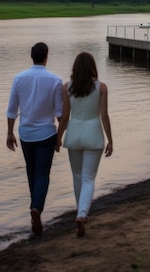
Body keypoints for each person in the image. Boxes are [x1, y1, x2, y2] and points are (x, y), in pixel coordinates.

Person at [6, 42, 63, 236]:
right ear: (46, 56)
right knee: (42, 174)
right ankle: (36, 208)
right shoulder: (55, 80)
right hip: (47, 133)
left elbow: (12, 109)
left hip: (26, 134)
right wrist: (60, 137)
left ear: (32, 56)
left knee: (31, 172)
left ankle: (34, 208)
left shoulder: (19, 78)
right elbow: (60, 114)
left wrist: (9, 132)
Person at [56, 52, 113, 237]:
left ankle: (80, 212)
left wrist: (58, 137)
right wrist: (110, 140)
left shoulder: (67, 88)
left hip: (74, 134)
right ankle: (82, 214)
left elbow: (64, 118)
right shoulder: (101, 88)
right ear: (93, 67)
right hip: (93, 134)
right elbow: (104, 116)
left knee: (77, 176)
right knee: (89, 177)